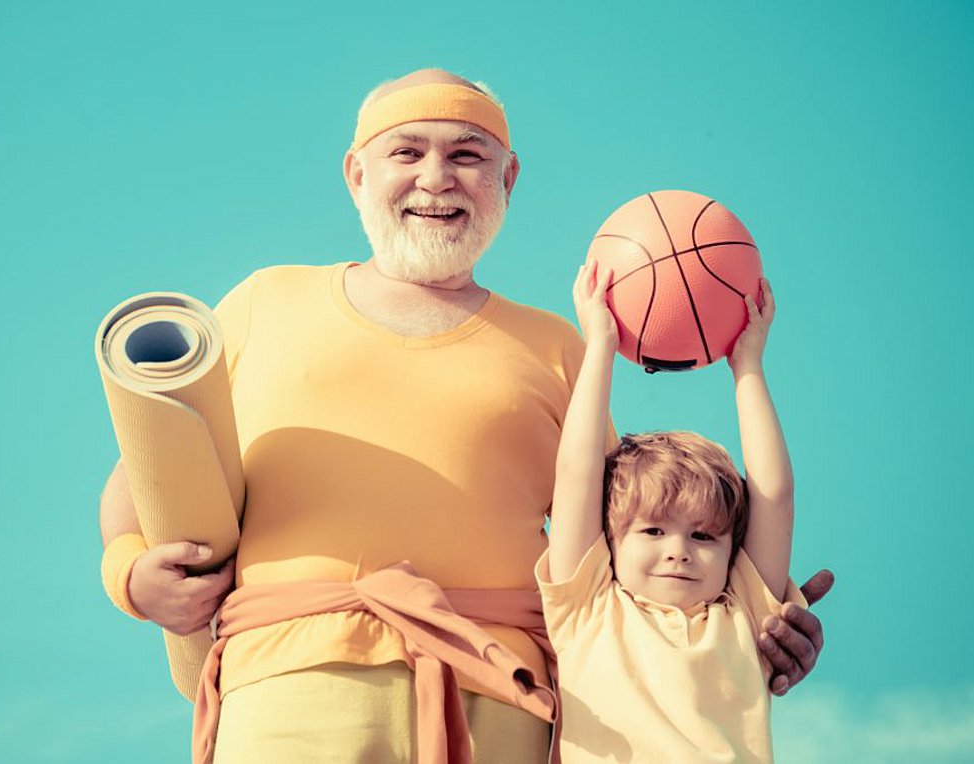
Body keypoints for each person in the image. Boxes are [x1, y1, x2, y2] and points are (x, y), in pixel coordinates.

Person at [98, 68, 832, 763]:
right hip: (288, 680)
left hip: (500, 698)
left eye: (466, 154)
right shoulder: (265, 301)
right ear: (356, 174)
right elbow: (145, 470)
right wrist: (130, 574)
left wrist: (750, 618)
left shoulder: (555, 347)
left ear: (507, 178)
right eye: (406, 152)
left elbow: (632, 537)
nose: (435, 176)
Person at [539, 262, 800, 762]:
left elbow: (774, 494)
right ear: (611, 540)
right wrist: (600, 347)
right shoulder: (588, 609)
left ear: (731, 549)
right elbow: (575, 473)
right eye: (654, 530)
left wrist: (748, 365)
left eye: (704, 537)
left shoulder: (744, 615)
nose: (678, 551)